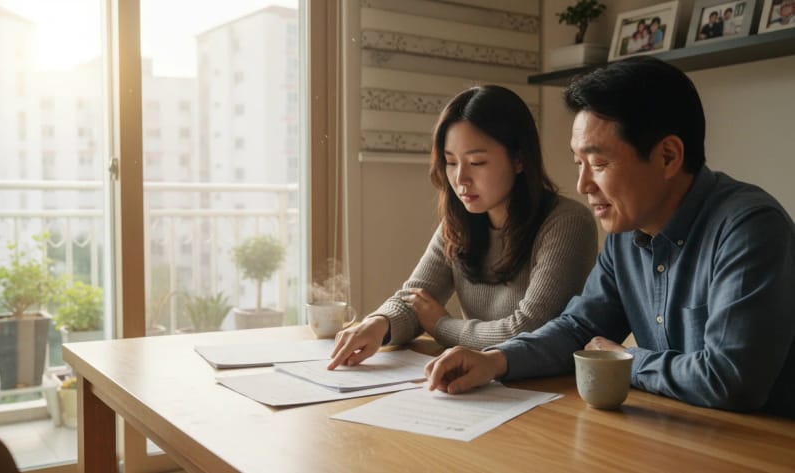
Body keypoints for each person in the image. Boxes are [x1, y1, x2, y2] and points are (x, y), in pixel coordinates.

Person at [424, 57, 795, 418]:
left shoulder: (749, 228)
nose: (583, 185)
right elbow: (578, 328)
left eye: (599, 164)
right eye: (578, 164)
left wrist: (624, 360)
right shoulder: (626, 234)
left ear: (668, 156)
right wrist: (495, 361)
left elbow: (731, 379)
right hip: (678, 434)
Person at [328, 85, 597, 369]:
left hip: (551, 388)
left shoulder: (567, 223)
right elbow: (416, 299)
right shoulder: (461, 221)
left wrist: (442, 326)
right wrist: (378, 323)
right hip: (481, 383)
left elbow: (527, 331)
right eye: (451, 162)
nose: (461, 179)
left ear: (519, 159)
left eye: (477, 162)